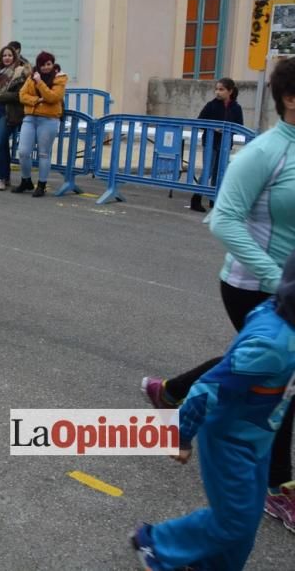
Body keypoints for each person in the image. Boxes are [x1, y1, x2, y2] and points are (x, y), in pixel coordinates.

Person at [142, 57, 295, 533]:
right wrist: (276, 278)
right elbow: (224, 218)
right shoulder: (264, 152)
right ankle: (278, 486)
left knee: (257, 362)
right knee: (281, 377)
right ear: (290, 99)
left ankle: (170, 391)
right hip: (254, 284)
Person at [132, 251, 295, 571]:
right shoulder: (272, 344)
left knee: (244, 520)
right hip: (229, 441)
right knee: (233, 520)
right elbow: (208, 388)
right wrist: (181, 434)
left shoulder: (278, 317)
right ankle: (156, 544)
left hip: (258, 437)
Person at [12, 51, 67, 197]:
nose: (46, 67)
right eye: (42, 64)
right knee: (23, 152)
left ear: (53, 63)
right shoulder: (32, 76)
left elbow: (53, 97)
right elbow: (22, 95)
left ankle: (41, 185)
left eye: (49, 64)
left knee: (44, 153)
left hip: (49, 119)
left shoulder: (60, 77)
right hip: (30, 118)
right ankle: (26, 181)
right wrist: (37, 100)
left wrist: (40, 83)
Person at [190, 78, 243, 213]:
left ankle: (214, 200)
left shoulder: (236, 108)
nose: (217, 92)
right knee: (207, 170)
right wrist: (214, 128)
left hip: (225, 144)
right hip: (210, 142)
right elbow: (200, 122)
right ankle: (196, 199)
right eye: (216, 89)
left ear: (230, 91)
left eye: (221, 89)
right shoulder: (211, 105)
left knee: (219, 172)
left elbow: (239, 127)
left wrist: (228, 129)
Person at [0, 45, 28, 190]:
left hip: (10, 112)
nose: (7, 58)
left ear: (14, 57)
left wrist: (0, 95)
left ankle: (2, 178)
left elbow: (19, 95)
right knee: (1, 145)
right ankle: (3, 177)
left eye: (10, 55)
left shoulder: (20, 73)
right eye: (4, 55)